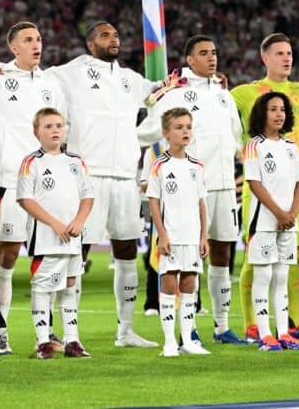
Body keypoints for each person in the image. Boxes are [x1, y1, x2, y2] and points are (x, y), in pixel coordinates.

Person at [42, 22, 160, 349]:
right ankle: (64, 332)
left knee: (126, 251)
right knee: (74, 252)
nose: (114, 39)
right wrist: (0, 70)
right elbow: (34, 75)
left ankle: (126, 331)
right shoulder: (74, 71)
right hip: (87, 175)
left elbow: (162, 90)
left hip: (124, 177)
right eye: (105, 35)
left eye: (116, 35)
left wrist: (196, 80)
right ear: (91, 44)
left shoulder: (130, 79)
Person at [138, 35, 245, 344]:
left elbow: (235, 137)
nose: (212, 58)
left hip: (224, 186)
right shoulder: (175, 94)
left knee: (223, 253)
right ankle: (187, 330)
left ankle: (222, 326)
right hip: (187, 189)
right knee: (184, 260)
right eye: (203, 53)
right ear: (189, 60)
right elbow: (148, 133)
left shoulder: (224, 94)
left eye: (214, 52)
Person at [0, 22, 67, 355]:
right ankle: (0, 330)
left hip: (48, 186)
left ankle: (47, 330)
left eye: (39, 38)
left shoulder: (50, 84)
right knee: (7, 256)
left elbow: (60, 130)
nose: (36, 44)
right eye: (28, 40)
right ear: (13, 47)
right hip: (11, 182)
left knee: (48, 259)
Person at [231, 33, 299, 342]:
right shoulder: (247, 93)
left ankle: (294, 322)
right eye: (280, 53)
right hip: (259, 189)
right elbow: (215, 107)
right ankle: (251, 324)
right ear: (265, 58)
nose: (287, 58)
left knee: (294, 257)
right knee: (254, 259)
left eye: (289, 53)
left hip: (293, 191)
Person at [16, 107, 94, 359]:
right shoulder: (31, 162)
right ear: (36, 131)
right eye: (48, 126)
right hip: (45, 238)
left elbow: (88, 195)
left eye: (59, 125)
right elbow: (25, 199)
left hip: (72, 237)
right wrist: (54, 223)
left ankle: (72, 340)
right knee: (43, 287)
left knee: (70, 286)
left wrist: (79, 220)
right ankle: (43, 341)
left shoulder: (76, 162)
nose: (55, 130)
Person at [242, 92, 299, 352]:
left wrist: (291, 213)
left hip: (289, 222)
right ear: (262, 114)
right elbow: (255, 184)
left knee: (282, 277)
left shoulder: (292, 147)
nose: (279, 114)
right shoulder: (254, 146)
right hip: (264, 221)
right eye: (273, 109)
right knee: (264, 275)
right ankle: (265, 335)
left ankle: (284, 333)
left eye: (282, 109)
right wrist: (280, 214)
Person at [147, 108, 211, 357]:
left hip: (192, 236)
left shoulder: (197, 166)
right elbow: (153, 202)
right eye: (178, 127)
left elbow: (201, 203)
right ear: (166, 133)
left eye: (188, 127)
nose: (185, 131)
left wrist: (203, 235)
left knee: (189, 285)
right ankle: (169, 341)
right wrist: (161, 235)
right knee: (169, 283)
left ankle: (188, 340)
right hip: (171, 236)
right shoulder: (159, 165)